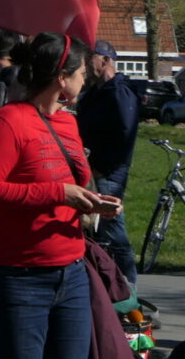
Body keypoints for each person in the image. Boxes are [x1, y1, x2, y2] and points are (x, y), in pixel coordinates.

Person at [0, 32, 122, 359]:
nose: (85, 80)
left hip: (72, 272)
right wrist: (58, 194)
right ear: (62, 78)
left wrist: (93, 203)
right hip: (19, 277)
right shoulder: (8, 121)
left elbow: (70, 187)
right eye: (81, 73)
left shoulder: (68, 123)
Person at [76, 39, 139, 286]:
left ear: (104, 60)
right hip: (92, 170)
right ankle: (106, 285)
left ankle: (128, 285)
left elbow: (125, 135)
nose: (85, 63)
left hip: (108, 174)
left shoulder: (120, 92)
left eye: (89, 57)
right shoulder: (95, 93)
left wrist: (103, 168)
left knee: (112, 230)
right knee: (97, 231)